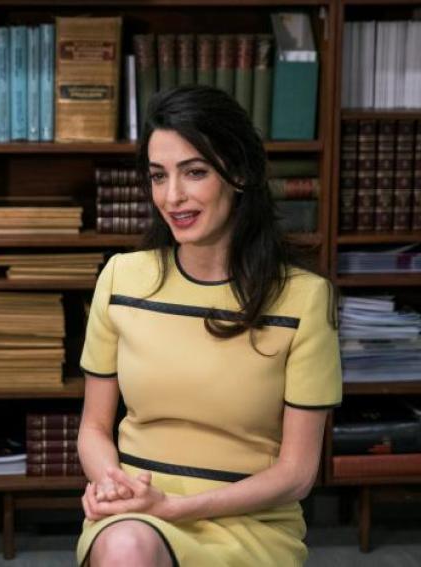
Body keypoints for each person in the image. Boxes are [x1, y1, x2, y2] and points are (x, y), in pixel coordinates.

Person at [76, 85, 342, 567]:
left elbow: (298, 473)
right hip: (139, 512)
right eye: (159, 176)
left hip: (252, 522)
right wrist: (114, 485)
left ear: (237, 173)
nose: (173, 196)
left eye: (194, 172)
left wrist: (179, 508)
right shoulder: (120, 278)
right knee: (125, 545)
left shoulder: (305, 299)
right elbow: (94, 428)